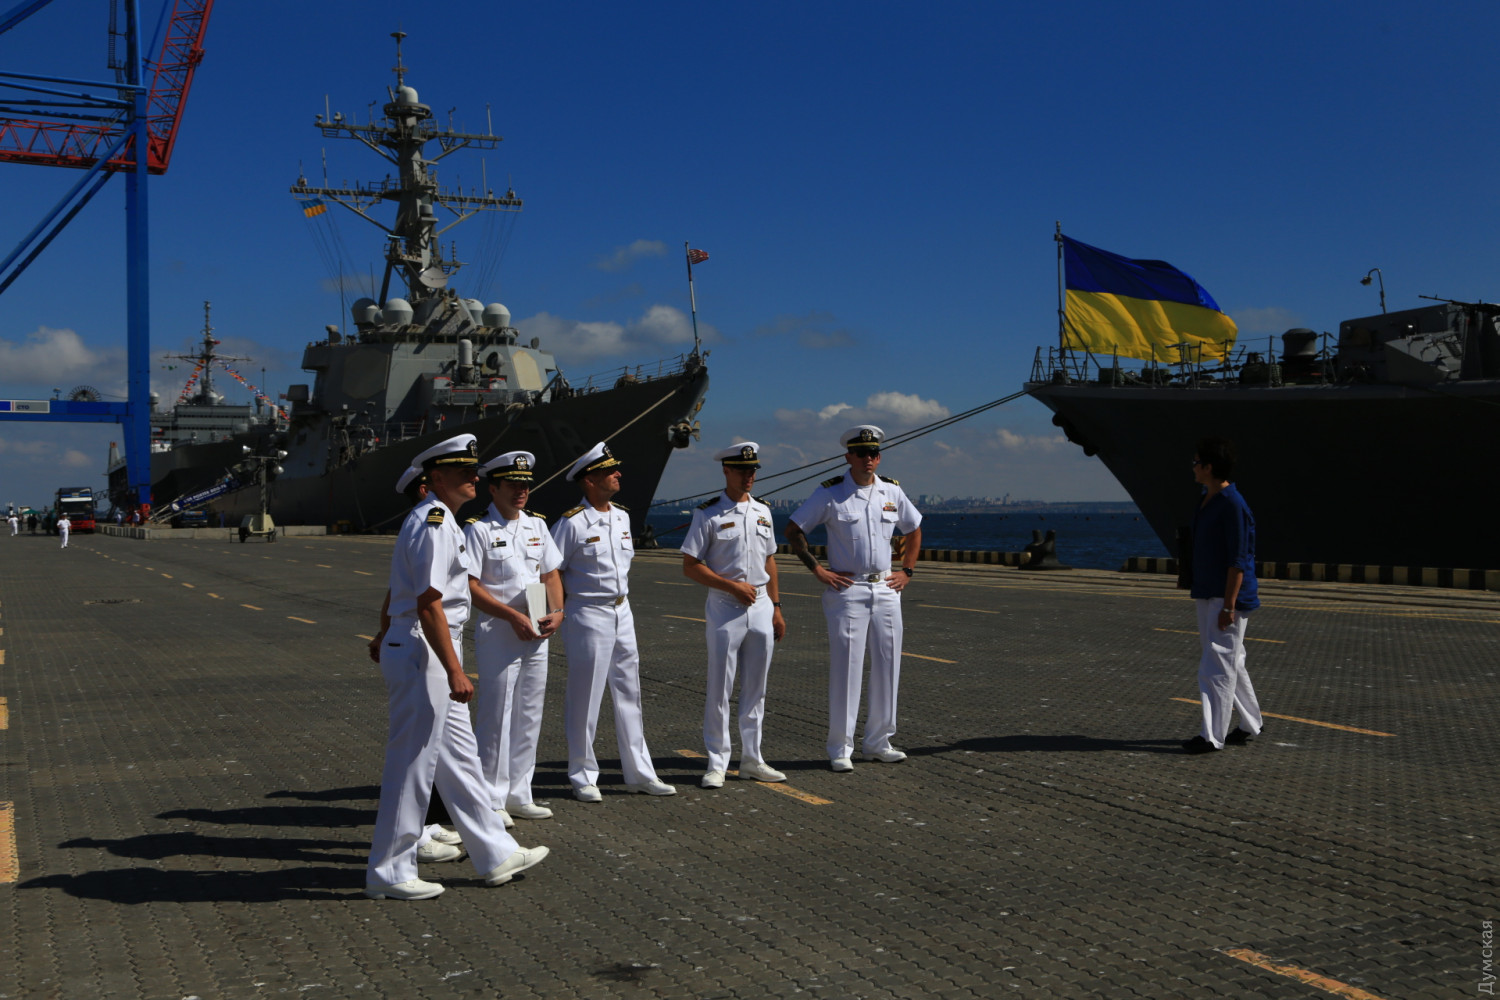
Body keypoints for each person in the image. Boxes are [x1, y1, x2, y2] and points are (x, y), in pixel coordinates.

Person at [365, 434, 549, 900]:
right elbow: (429, 603)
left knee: (462, 759)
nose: (474, 477)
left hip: (430, 643)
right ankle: (389, 871)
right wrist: (454, 670)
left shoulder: (444, 521)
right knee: (411, 764)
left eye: (473, 470)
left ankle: (495, 852)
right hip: (425, 648)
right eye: (464, 471)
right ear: (436, 477)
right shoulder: (433, 523)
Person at [785, 425, 922, 772]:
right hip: (848, 590)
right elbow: (794, 529)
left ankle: (879, 742)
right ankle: (840, 747)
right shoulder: (831, 493)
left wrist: (907, 570)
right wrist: (818, 570)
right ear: (848, 456)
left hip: (887, 588)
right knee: (847, 668)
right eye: (861, 453)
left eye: (873, 453)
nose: (868, 459)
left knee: (888, 666)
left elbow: (913, 527)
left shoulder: (891, 490)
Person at [551, 441, 676, 801]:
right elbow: (546, 572)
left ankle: (639, 773)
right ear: (589, 480)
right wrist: (544, 616)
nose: (618, 473)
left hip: (622, 610)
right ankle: (582, 775)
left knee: (629, 692)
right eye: (609, 471)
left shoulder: (621, 517)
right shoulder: (571, 523)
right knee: (585, 695)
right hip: (587, 612)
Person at [466, 451, 565, 823]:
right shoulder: (478, 530)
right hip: (500, 631)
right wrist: (511, 616)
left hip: (536, 629)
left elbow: (550, 575)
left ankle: (520, 793)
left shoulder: (537, 525)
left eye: (525, 485)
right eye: (512, 485)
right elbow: (470, 586)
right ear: (493, 488)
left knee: (529, 713)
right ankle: (491, 799)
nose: (521, 491)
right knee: (497, 716)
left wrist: (558, 611)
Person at [681, 442, 787, 788]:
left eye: (752, 470)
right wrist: (730, 586)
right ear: (726, 470)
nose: (749, 476)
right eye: (742, 470)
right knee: (720, 688)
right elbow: (690, 565)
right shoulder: (708, 514)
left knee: (757, 688)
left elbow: (769, 559)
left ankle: (753, 759)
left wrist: (777, 607)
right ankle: (717, 761)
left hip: (761, 604)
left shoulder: (763, 511)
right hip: (726, 606)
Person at [1182, 436, 1264, 754]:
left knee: (1216, 665)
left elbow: (1238, 559)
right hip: (1208, 591)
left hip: (1225, 596)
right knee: (1230, 660)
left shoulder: (1232, 504)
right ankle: (1250, 723)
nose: (1192, 467)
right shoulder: (1208, 498)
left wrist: (1229, 606)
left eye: (1196, 462)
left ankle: (1212, 736)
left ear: (1209, 467)